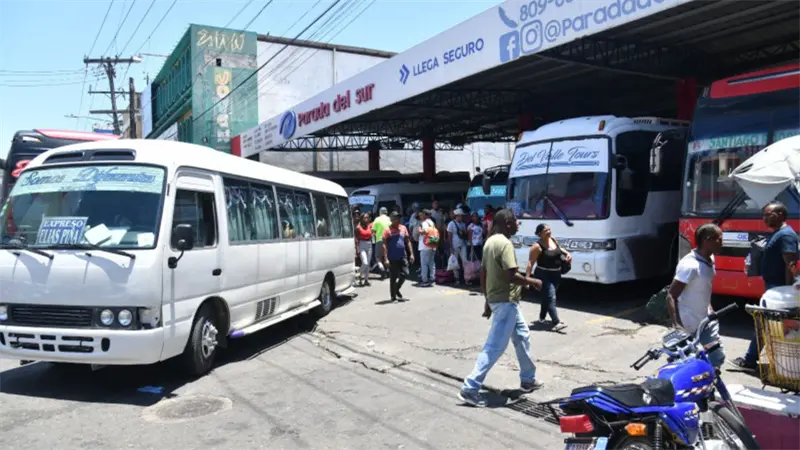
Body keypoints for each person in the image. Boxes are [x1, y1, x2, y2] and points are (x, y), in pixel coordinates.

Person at [459, 209, 544, 407]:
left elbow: (484, 273)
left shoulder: (490, 241)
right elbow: (511, 276)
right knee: (495, 346)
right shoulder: (504, 244)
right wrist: (532, 281)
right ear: (507, 223)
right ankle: (470, 387)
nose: (518, 225)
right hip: (505, 301)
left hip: (504, 301)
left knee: (522, 336)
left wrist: (487, 301)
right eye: (516, 222)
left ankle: (528, 379)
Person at [732, 202, 798, 371]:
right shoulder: (778, 233)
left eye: (769, 214)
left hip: (778, 290)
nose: (765, 218)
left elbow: (790, 264)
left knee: (763, 324)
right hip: (774, 287)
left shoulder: (786, 235)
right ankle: (755, 360)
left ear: (782, 215)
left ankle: (750, 361)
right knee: (767, 325)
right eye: (764, 215)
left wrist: (788, 291)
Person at [666, 223, 725, 368]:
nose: (722, 243)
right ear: (707, 240)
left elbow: (704, 287)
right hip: (688, 324)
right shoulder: (690, 265)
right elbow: (671, 296)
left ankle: (711, 385)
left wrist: (709, 308)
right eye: (719, 239)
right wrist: (677, 326)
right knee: (686, 365)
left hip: (706, 323)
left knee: (716, 357)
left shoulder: (710, 260)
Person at [526, 223, 571, 331]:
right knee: (551, 296)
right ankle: (556, 322)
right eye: (546, 230)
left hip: (556, 274)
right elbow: (530, 263)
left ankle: (542, 318)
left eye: (549, 229)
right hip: (543, 275)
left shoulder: (553, 240)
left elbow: (559, 249)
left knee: (547, 297)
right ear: (540, 233)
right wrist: (527, 280)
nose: (549, 232)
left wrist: (567, 253)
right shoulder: (536, 247)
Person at [382, 212, 415, 301]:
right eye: (395, 218)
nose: (397, 220)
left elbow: (407, 241)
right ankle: (393, 296)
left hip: (402, 256)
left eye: (398, 218)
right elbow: (384, 245)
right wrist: (385, 258)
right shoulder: (387, 230)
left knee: (406, 273)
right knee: (393, 276)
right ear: (391, 219)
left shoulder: (403, 228)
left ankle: (396, 289)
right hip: (392, 257)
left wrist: (411, 254)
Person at [448, 209, 469, 285]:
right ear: (457, 216)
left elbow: (465, 235)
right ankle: (457, 279)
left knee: (465, 261)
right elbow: (449, 236)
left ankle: (466, 278)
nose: (462, 217)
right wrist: (451, 247)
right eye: (461, 216)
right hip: (454, 246)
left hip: (463, 245)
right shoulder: (451, 224)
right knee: (455, 262)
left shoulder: (463, 224)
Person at [417, 209, 437, 286]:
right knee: (432, 263)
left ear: (425, 215)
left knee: (424, 263)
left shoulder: (424, 223)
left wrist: (419, 230)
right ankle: (432, 279)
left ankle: (424, 280)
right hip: (432, 244)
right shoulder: (431, 223)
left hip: (425, 245)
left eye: (422, 214)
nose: (420, 216)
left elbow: (424, 232)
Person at [371, 207, 391, 279]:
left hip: (379, 240)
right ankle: (388, 270)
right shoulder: (389, 219)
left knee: (378, 257)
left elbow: (373, 231)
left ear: (380, 212)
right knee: (387, 256)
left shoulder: (377, 219)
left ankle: (382, 268)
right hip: (388, 240)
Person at [354, 213, 374, 287]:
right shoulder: (358, 228)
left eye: (367, 218)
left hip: (369, 244)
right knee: (365, 262)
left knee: (368, 264)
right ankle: (358, 275)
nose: (366, 219)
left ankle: (366, 280)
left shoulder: (370, 226)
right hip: (361, 244)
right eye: (364, 218)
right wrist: (357, 249)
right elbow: (356, 239)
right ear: (361, 219)